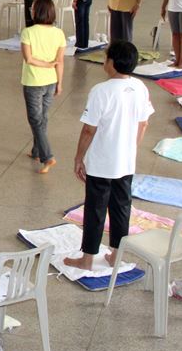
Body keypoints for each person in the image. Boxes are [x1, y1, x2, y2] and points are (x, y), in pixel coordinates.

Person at [64, 41, 154, 270]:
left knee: (95, 210)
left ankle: (87, 259)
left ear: (112, 63)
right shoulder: (140, 88)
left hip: (102, 163)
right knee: (121, 208)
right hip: (126, 162)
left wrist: (78, 157)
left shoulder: (101, 91)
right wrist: (130, 148)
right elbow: (143, 124)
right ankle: (115, 254)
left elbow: (89, 129)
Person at [21, 0, 67, 174]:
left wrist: (47, 65)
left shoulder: (28, 32)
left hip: (33, 82)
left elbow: (29, 59)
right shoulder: (59, 33)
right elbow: (60, 61)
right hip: (51, 82)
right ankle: (36, 151)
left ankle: (47, 156)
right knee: (43, 118)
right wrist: (59, 83)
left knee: (36, 120)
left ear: (36, 12)